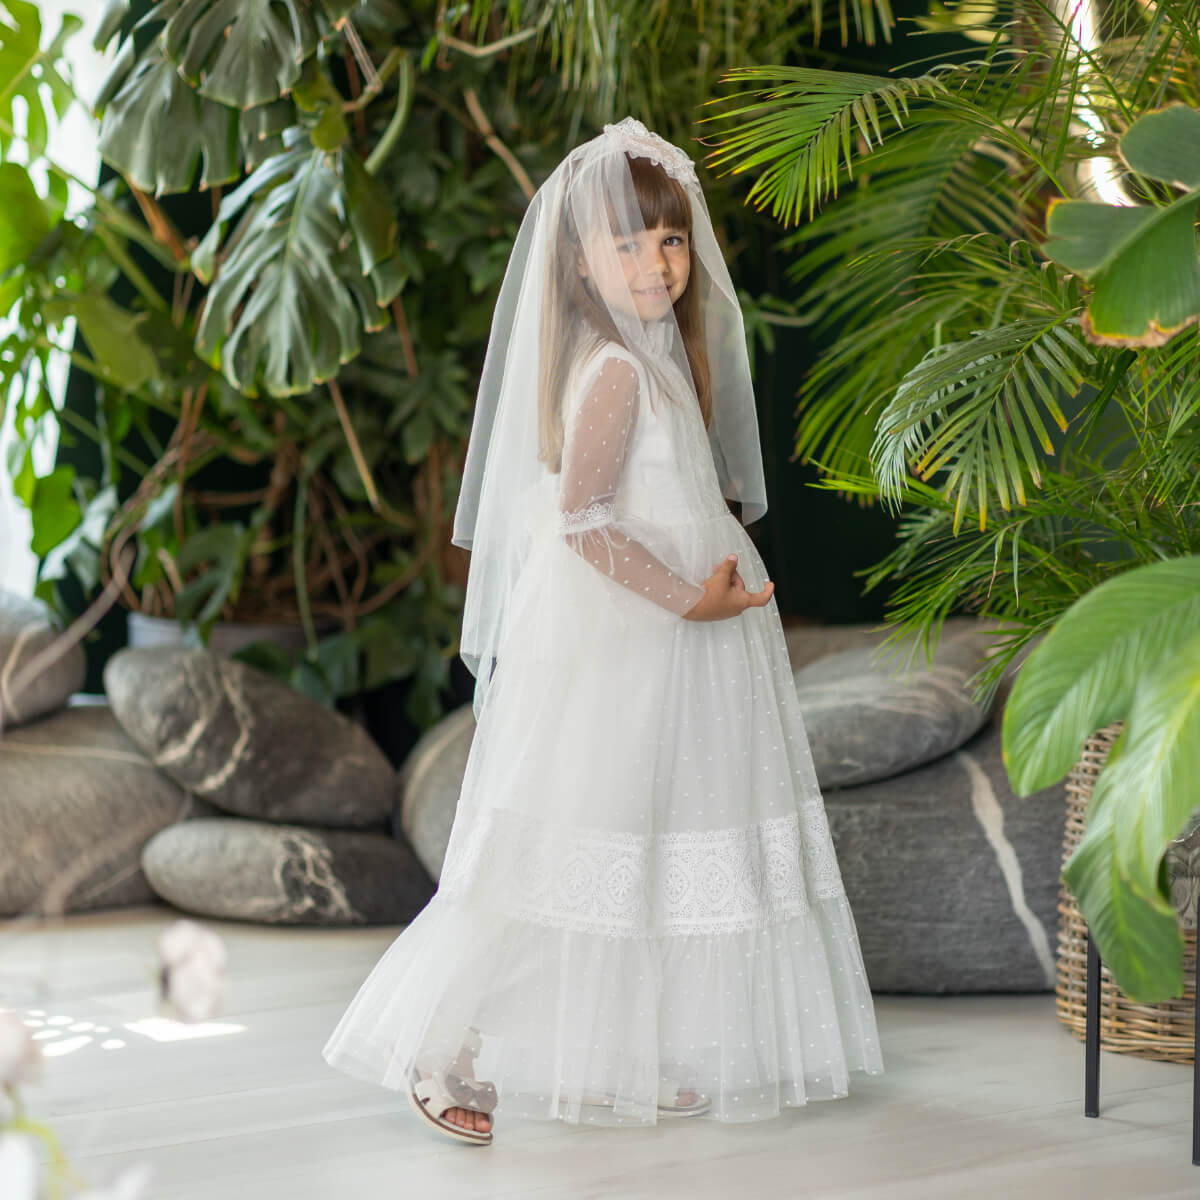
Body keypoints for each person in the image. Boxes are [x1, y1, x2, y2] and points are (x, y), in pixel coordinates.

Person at [322, 117, 883, 1146]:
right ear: (578, 261)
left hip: (670, 642)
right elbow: (583, 522)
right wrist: (688, 598)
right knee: (579, 836)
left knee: (649, 837)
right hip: (628, 640)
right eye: (627, 243)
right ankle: (441, 1045)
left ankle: (612, 1056)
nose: (657, 263)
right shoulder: (615, 371)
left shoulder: (647, 357)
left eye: (669, 241)